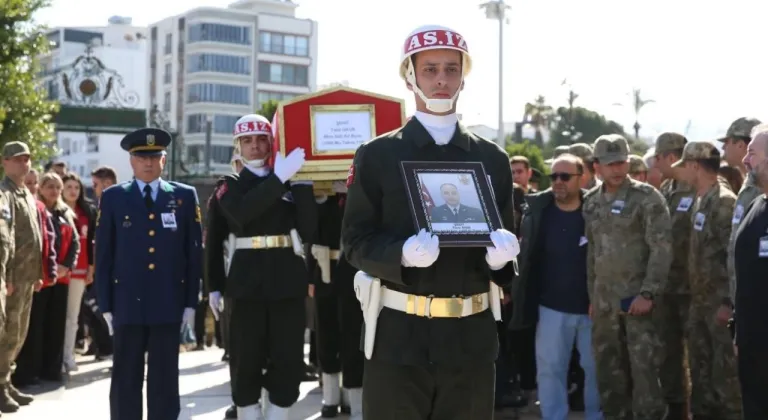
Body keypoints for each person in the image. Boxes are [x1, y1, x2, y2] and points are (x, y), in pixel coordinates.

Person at [341, 25, 520, 420]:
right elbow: (354, 242)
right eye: (430, 69)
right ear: (410, 76)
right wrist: (400, 255)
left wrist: (501, 261)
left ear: (463, 77)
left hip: (470, 340)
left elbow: (504, 253)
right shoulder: (377, 154)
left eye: (452, 69)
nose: (441, 79)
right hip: (399, 338)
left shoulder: (492, 158)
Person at [204, 114, 317, 420]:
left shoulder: (288, 179)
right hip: (246, 283)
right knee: (246, 358)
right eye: (247, 140)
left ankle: (278, 413)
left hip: (286, 279)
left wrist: (303, 184)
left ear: (271, 143)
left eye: (261, 139)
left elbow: (309, 230)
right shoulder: (229, 186)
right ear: (237, 146)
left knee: (288, 356)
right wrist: (214, 285)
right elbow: (236, 219)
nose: (254, 146)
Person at [95, 127, 202, 420]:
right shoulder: (114, 197)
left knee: (164, 378)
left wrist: (191, 302)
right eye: (142, 157)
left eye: (154, 157)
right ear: (131, 160)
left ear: (163, 160)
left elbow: (193, 254)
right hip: (127, 302)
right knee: (125, 377)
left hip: (168, 301)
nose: (148, 163)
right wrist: (105, 303)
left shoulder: (184, 196)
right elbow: (103, 254)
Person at [583, 134, 671, 420]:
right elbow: (592, 253)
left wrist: (648, 293)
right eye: (610, 164)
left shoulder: (647, 198)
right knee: (609, 377)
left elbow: (661, 249)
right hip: (604, 306)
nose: (617, 169)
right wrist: (593, 297)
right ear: (597, 166)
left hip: (637, 304)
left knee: (645, 378)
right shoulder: (591, 202)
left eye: (621, 162)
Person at [510, 154, 602, 420]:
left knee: (595, 369)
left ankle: (596, 415)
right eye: (554, 177)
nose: (558, 182)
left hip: (592, 307)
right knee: (550, 369)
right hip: (550, 307)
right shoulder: (538, 211)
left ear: (582, 178)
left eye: (565, 176)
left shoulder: (597, 211)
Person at [672, 141, 741, 419]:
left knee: (725, 378)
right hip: (700, 303)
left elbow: (733, 256)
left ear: (694, 166)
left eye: (684, 166)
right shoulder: (702, 198)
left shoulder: (724, 202)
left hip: (719, 306)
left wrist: (728, 302)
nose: (681, 173)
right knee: (701, 376)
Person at [14, 172, 79, 384]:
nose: (54, 191)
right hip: (39, 277)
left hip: (61, 278)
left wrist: (66, 266)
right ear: (41, 188)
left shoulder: (65, 213)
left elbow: (75, 243)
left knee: (56, 324)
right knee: (36, 325)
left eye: (57, 187)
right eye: (49, 186)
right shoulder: (35, 209)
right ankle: (31, 371)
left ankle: (52, 370)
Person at [307, 180, 364, 419]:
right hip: (324, 270)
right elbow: (310, 231)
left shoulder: (363, 191)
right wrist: (310, 276)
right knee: (326, 334)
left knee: (353, 335)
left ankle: (355, 398)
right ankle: (330, 397)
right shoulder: (322, 193)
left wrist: (353, 193)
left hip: (354, 271)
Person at [649, 132, 694, 419]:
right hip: (667, 288)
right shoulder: (666, 188)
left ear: (671, 157)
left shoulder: (697, 188)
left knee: (699, 358)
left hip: (693, 289)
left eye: (658, 157)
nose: (654, 163)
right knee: (668, 356)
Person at [0, 142, 43, 413]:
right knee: (8, 334)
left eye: (26, 158)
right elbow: (6, 238)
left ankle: (7, 381)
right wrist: (9, 276)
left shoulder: (25, 193)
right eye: (17, 159)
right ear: (4, 162)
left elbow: (35, 235)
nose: (23, 163)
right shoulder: (4, 194)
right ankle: (1, 386)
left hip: (28, 276)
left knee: (19, 334)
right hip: (14, 278)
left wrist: (37, 273)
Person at [733, 123, 768, 419]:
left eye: (752, 153)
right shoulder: (756, 205)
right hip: (753, 345)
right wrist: (739, 334)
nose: (745, 160)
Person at [60, 172, 97, 373]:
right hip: (59, 272)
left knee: (73, 317)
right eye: (69, 187)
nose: (73, 191)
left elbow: (90, 242)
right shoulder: (56, 211)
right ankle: (56, 359)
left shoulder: (87, 212)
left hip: (80, 270)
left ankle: (68, 356)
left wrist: (91, 267)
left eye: (76, 187)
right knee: (57, 315)